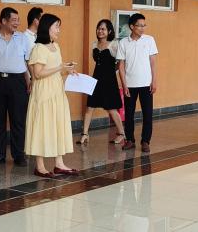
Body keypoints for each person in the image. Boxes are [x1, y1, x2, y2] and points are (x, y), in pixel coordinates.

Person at [26, 14, 78, 177]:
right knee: (42, 126)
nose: (58, 30)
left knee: (57, 124)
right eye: (56, 26)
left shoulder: (56, 46)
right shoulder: (39, 48)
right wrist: (60, 67)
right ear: (47, 27)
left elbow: (55, 71)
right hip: (43, 94)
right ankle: (40, 166)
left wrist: (67, 70)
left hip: (56, 91)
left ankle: (59, 164)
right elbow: (38, 73)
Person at [0, 7, 31, 167]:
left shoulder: (23, 38)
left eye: (18, 20)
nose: (17, 23)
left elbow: (28, 62)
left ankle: (19, 155)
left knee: (18, 120)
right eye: (14, 20)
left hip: (18, 83)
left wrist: (30, 81)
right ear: (3, 21)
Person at [79, 19, 126, 147]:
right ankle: (85, 134)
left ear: (109, 31)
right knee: (90, 106)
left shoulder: (114, 45)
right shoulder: (94, 44)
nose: (100, 31)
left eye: (103, 29)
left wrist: (112, 71)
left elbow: (121, 62)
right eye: (99, 28)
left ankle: (121, 133)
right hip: (96, 79)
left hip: (109, 80)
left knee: (111, 109)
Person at [116, 13, 159, 152]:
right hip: (130, 85)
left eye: (144, 25)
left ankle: (145, 141)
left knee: (148, 114)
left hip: (146, 84)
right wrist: (124, 85)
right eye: (139, 25)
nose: (142, 28)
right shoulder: (123, 42)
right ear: (131, 26)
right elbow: (121, 66)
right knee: (129, 114)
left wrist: (154, 81)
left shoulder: (149, 40)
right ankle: (130, 140)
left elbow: (153, 63)